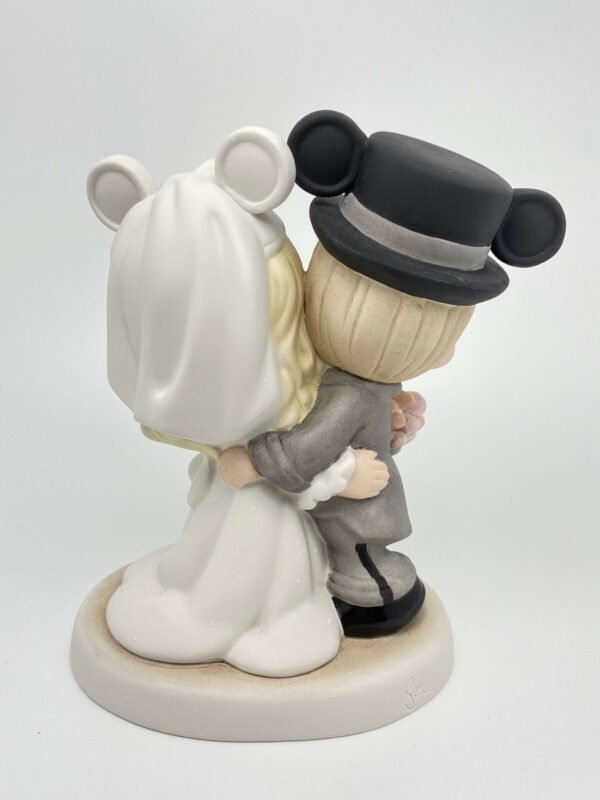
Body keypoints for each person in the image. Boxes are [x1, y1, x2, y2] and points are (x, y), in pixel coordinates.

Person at [219, 111, 566, 637]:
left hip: (354, 514)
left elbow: (310, 447)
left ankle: (378, 601)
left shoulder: (356, 391)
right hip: (353, 507)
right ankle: (374, 589)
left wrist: (253, 460)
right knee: (352, 551)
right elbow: (321, 439)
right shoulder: (352, 384)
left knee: (359, 558)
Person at [85, 127, 390, 677]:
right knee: (236, 580)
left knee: (228, 566)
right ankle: (229, 615)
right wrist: (342, 475)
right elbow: (289, 467)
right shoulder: (252, 419)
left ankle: (224, 607)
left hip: (257, 510)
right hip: (256, 520)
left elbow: (296, 450)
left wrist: (366, 436)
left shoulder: (286, 387)